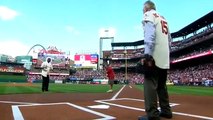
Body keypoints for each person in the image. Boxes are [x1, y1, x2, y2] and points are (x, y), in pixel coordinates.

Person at [138, 1, 172, 120]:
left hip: (154, 55)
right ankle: (166, 110)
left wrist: (147, 54)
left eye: (143, 9)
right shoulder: (164, 18)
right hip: (165, 56)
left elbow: (149, 35)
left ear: (147, 8)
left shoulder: (149, 15)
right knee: (162, 85)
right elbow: (169, 39)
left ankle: (152, 114)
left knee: (150, 83)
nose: (142, 11)